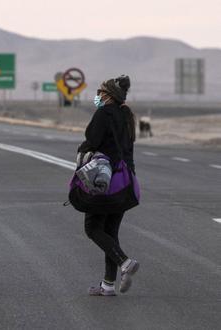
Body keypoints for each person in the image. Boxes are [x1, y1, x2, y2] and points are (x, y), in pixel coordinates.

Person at [77, 75, 140, 296]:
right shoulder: (126, 115)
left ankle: (125, 262)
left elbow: (92, 140)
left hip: (105, 179)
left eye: (100, 93)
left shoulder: (104, 113)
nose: (97, 97)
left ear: (108, 95)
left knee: (93, 228)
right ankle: (107, 285)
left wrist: (82, 150)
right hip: (126, 180)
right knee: (110, 232)